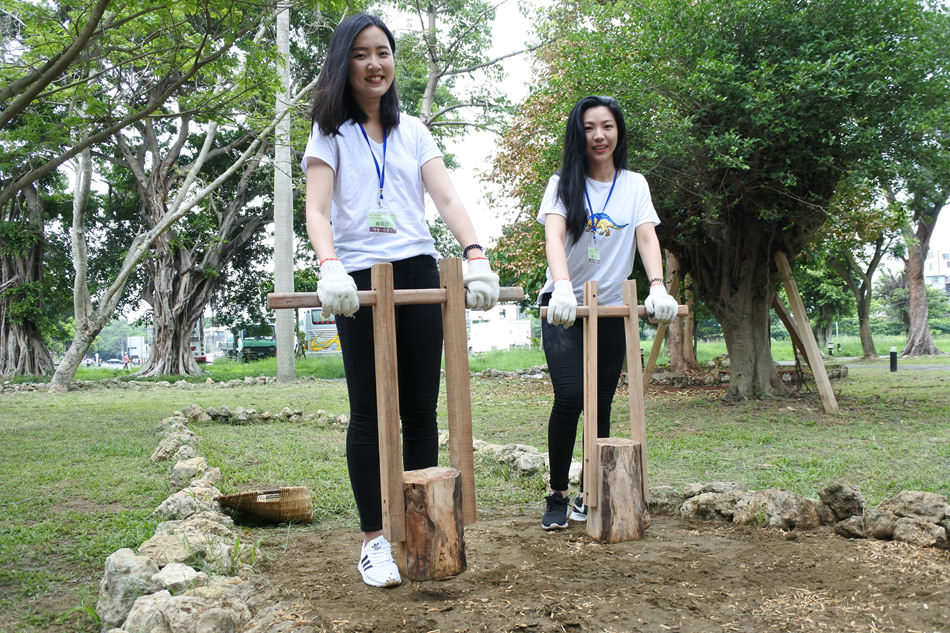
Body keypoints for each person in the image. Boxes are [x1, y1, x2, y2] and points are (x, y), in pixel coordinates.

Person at [302, 13, 500, 587]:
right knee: (368, 410)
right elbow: (317, 210)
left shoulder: (413, 130)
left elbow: (446, 196)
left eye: (383, 52)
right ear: (345, 62)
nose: (375, 64)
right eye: (362, 54)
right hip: (357, 276)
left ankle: (418, 527)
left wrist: (475, 251)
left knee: (418, 410)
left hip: (416, 268)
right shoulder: (330, 131)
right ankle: (372, 542)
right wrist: (329, 262)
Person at [536, 95, 679, 530]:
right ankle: (557, 491)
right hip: (564, 307)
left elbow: (647, 238)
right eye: (589, 127)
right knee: (571, 396)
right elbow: (554, 237)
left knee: (600, 402)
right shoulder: (563, 183)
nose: (598, 135)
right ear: (577, 134)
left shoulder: (635, 185)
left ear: (618, 132)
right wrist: (562, 287)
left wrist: (658, 285)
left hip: (613, 310)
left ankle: (590, 493)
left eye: (607, 126)